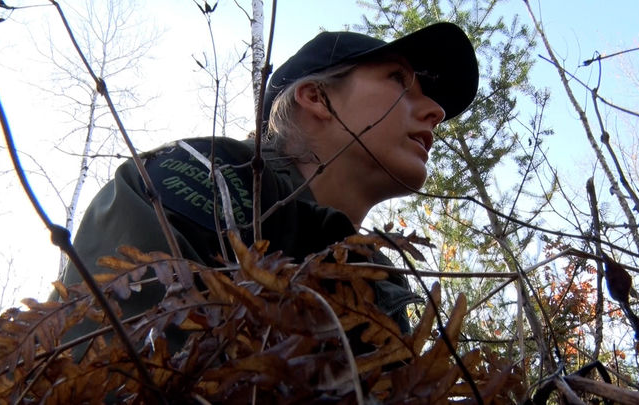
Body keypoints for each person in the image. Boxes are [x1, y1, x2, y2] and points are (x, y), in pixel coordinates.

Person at [56, 22, 479, 345]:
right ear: (317, 97)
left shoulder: (382, 282)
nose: (436, 112)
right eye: (399, 80)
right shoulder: (207, 174)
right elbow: (112, 365)